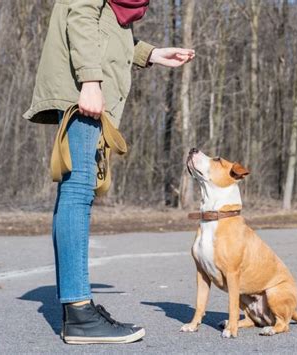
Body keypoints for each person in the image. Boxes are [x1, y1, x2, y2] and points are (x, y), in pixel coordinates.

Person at [23, 0, 195, 345]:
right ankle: (79, 314)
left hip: (85, 82)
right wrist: (90, 79)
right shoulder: (87, 67)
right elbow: (80, 14)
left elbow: (106, 32)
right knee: (77, 189)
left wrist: (150, 54)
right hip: (80, 86)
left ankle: (78, 308)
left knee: (78, 189)